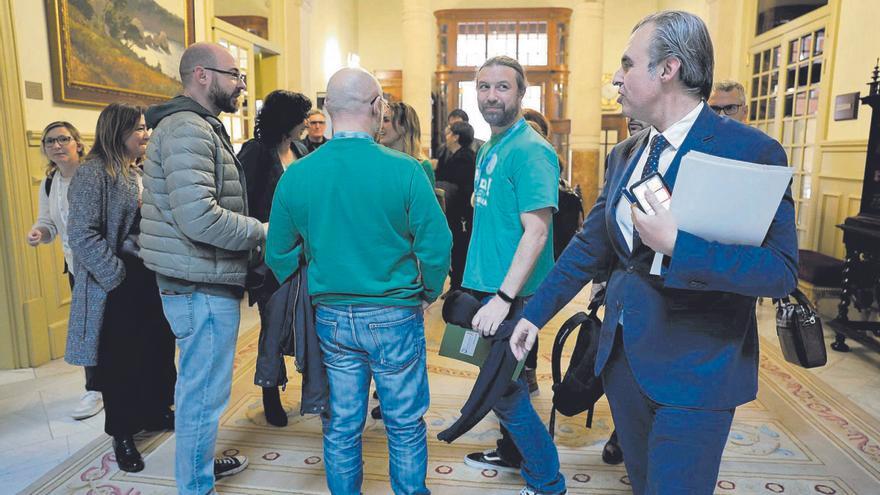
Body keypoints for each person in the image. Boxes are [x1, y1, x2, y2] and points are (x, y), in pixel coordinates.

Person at [509, 11, 797, 494]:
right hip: (623, 360)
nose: (617, 78)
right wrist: (532, 315)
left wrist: (680, 247)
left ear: (669, 69)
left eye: (628, 63)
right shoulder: (626, 153)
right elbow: (588, 248)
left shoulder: (748, 151)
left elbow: (780, 270)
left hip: (697, 368)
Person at [266, 67, 451, 495]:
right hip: (394, 312)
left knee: (343, 423)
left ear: (328, 110)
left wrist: (318, 266)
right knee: (404, 423)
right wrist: (426, 291)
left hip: (330, 315)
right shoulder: (406, 170)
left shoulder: (298, 174)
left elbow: (277, 254)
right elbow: (437, 244)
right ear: (378, 107)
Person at [140, 42, 266, 493]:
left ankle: (200, 466)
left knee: (202, 390)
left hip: (200, 277)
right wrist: (261, 231)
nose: (241, 85)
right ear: (203, 76)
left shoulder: (196, 127)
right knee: (203, 396)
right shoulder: (187, 130)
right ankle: (195, 485)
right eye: (235, 75)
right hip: (198, 282)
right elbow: (200, 218)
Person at [460, 55, 566, 495]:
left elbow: (537, 232)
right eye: (484, 87)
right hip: (490, 286)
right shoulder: (492, 146)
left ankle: (547, 481)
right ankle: (511, 452)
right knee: (510, 383)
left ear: (522, 94)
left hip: (511, 293)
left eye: (502, 87)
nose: (491, 96)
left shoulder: (531, 150)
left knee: (504, 390)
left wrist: (503, 297)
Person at [66, 103, 177, 473]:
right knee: (120, 364)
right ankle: (123, 434)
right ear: (117, 131)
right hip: (115, 285)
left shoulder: (135, 169)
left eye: (146, 128)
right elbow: (82, 233)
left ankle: (155, 412)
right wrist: (116, 274)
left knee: (155, 350)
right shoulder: (93, 173)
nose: (146, 135)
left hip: (147, 279)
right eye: (139, 129)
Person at [238, 89, 313, 427]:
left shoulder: (300, 149)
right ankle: (270, 392)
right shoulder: (256, 153)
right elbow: (244, 203)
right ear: (288, 121)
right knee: (273, 326)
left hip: (306, 253)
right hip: (269, 257)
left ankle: (314, 392)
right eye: (302, 118)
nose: (307, 124)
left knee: (308, 324)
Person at [26, 121, 104, 421]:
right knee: (88, 330)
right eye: (49, 142)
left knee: (114, 328)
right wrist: (39, 233)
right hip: (76, 269)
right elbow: (47, 223)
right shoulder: (49, 184)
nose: (57, 145)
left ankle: (120, 385)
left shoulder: (94, 176)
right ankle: (94, 389)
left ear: (77, 144)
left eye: (63, 139)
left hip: (103, 266)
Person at [436, 121, 476, 293]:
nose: (446, 136)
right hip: (454, 212)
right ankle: (455, 284)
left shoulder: (465, 157)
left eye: (449, 132)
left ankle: (459, 286)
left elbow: (459, 186)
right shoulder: (451, 155)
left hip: (462, 213)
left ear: (456, 136)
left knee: (460, 247)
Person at [379, 101, 436, 187]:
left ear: (404, 126)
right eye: (380, 120)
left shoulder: (422, 167)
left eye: (386, 120)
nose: (380, 126)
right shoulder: (380, 162)